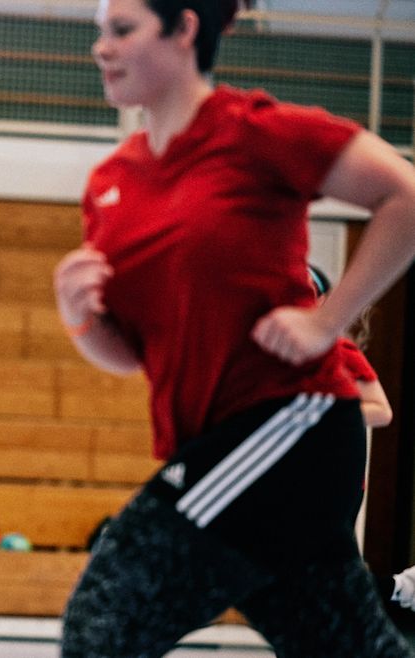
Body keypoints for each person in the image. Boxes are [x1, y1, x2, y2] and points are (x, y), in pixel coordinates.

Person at [53, 0, 415, 655]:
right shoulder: (112, 183)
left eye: (123, 30)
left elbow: (406, 198)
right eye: (99, 32)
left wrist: (325, 322)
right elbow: (132, 355)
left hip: (288, 425)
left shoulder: (258, 133)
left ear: (185, 30)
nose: (101, 48)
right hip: (218, 442)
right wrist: (81, 319)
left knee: (105, 621)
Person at [308, 263, 393, 428]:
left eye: (304, 293)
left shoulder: (340, 349)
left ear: (322, 301)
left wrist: (316, 418)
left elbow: (382, 412)